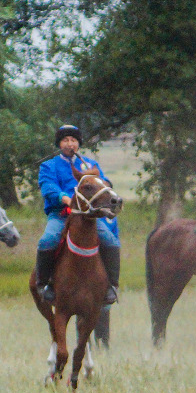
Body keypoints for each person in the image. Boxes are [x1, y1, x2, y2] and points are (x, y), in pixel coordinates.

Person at [35, 124, 120, 305]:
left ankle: (111, 286)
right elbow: (48, 188)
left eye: (73, 140)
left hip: (87, 216)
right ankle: (44, 284)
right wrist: (66, 199)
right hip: (61, 215)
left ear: (78, 144)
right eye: (65, 140)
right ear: (59, 144)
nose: (70, 144)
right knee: (47, 240)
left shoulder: (91, 165)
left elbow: (103, 185)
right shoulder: (48, 166)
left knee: (111, 241)